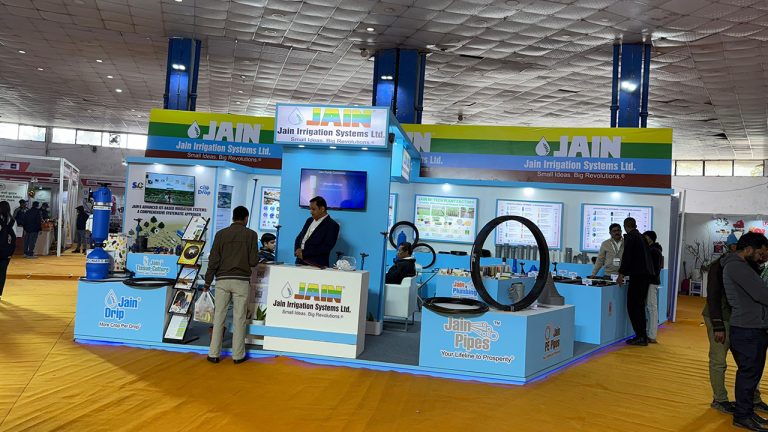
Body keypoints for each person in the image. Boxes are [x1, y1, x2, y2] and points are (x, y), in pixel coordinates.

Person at [705, 235, 768, 416]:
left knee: (749, 363)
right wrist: (718, 325)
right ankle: (720, 399)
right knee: (719, 360)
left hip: (740, 320)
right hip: (720, 317)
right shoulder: (721, 265)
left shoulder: (747, 265)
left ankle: (753, 399)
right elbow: (713, 296)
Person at [722, 232, 768, 431]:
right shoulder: (736, 266)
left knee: (752, 375)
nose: (761, 257)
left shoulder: (744, 266)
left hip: (753, 327)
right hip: (747, 329)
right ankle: (742, 415)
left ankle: (747, 412)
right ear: (748, 249)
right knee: (748, 375)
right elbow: (761, 294)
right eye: (760, 253)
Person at [203, 206, 260, 365]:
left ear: (233, 217)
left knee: (219, 317)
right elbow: (253, 261)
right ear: (246, 218)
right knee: (239, 318)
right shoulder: (251, 235)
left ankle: (213, 354)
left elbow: (213, 260)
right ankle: (238, 356)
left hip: (222, 280)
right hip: (241, 281)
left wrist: (207, 281)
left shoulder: (220, 234)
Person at [617, 217, 654, 346]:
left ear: (625, 226)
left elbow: (627, 256)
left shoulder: (631, 237)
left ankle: (640, 336)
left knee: (633, 306)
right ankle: (642, 335)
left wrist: (621, 274)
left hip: (638, 276)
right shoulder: (641, 237)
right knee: (639, 306)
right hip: (645, 276)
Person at [294, 196, 340, 268]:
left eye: (313, 209)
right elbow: (299, 237)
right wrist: (297, 250)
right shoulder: (309, 220)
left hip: (316, 265)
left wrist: (304, 253)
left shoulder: (332, 225)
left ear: (322, 209)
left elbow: (326, 247)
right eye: (310, 209)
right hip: (299, 262)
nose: (310, 212)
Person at [643, 231, 664, 343]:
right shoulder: (655, 250)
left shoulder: (653, 251)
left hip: (651, 282)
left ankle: (652, 335)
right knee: (651, 307)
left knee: (651, 308)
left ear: (650, 238)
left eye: (645, 237)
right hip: (651, 282)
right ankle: (650, 333)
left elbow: (654, 269)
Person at [0, 201, 16, 301]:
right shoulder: (12, 220)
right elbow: (13, 238)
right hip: (7, 251)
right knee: (2, 272)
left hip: (2, 248)